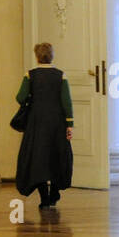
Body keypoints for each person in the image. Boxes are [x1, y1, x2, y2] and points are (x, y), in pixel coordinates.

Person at [14, 42, 74, 210]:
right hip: (57, 123)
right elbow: (66, 102)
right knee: (56, 157)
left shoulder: (30, 75)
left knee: (38, 159)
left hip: (36, 122)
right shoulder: (61, 75)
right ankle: (54, 194)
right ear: (52, 56)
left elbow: (20, 97)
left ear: (37, 56)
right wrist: (70, 125)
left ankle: (45, 198)